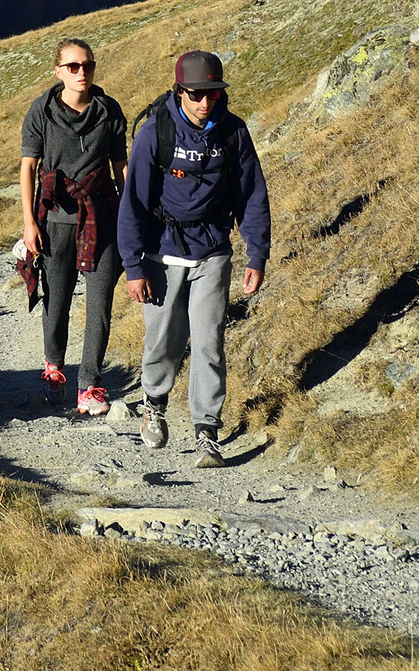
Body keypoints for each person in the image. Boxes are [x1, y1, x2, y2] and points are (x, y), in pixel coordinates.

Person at [116, 48, 271, 467]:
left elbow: (252, 195)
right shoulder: (155, 132)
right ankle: (154, 402)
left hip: (214, 251)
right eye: (196, 94)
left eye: (213, 94)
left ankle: (207, 431)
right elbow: (132, 205)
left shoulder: (234, 133)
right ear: (179, 90)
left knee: (208, 342)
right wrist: (133, 267)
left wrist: (256, 255)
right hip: (161, 253)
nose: (205, 102)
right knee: (163, 339)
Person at [19, 34, 127, 414]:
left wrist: (129, 217)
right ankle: (53, 370)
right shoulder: (40, 112)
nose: (83, 72)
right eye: (74, 66)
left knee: (100, 305)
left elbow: (120, 168)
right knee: (57, 300)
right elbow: (28, 169)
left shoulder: (109, 110)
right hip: (55, 220)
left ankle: (90, 387)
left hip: (101, 217)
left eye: (89, 65)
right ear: (58, 71)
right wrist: (30, 223)